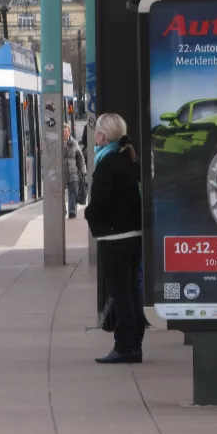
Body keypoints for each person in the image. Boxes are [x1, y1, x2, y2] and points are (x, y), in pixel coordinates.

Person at [84, 113, 144, 364]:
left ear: (103, 136)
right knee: (131, 292)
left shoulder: (107, 163)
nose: (94, 136)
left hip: (114, 238)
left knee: (120, 293)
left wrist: (88, 214)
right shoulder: (129, 159)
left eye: (97, 131)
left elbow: (99, 204)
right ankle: (135, 345)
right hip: (134, 235)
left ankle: (124, 347)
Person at [63, 123, 85, 219]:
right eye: (63, 132)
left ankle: (72, 212)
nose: (65, 134)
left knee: (73, 192)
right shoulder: (57, 144)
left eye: (66, 132)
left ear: (69, 132)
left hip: (73, 172)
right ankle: (62, 210)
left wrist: (83, 171)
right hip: (61, 173)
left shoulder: (74, 143)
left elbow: (80, 158)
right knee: (59, 194)